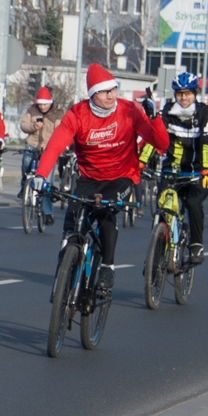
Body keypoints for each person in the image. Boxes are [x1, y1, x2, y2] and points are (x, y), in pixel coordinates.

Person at [33, 63, 167, 293]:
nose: (112, 95)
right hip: (89, 177)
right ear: (93, 94)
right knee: (73, 218)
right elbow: (55, 145)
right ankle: (67, 262)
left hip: (122, 176)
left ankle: (108, 265)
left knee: (105, 212)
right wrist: (41, 175)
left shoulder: (129, 110)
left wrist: (154, 118)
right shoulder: (77, 113)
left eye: (114, 89)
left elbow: (162, 144)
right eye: (107, 92)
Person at [154, 70, 208, 263]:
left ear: (195, 94)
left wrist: (206, 168)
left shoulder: (206, 113)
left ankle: (196, 245)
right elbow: (155, 138)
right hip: (171, 170)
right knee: (163, 208)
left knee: (192, 203)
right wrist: (141, 162)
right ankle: (155, 258)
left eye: (188, 93)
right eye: (180, 94)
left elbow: (207, 141)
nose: (183, 98)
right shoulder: (167, 112)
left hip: (199, 172)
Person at [18, 86, 60, 200]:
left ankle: (47, 212)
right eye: (40, 104)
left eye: (45, 104)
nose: (42, 107)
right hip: (33, 143)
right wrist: (33, 126)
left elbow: (60, 130)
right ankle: (24, 187)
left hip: (48, 147)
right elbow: (23, 125)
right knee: (26, 162)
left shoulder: (58, 112)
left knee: (47, 178)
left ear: (50, 103)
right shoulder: (32, 110)